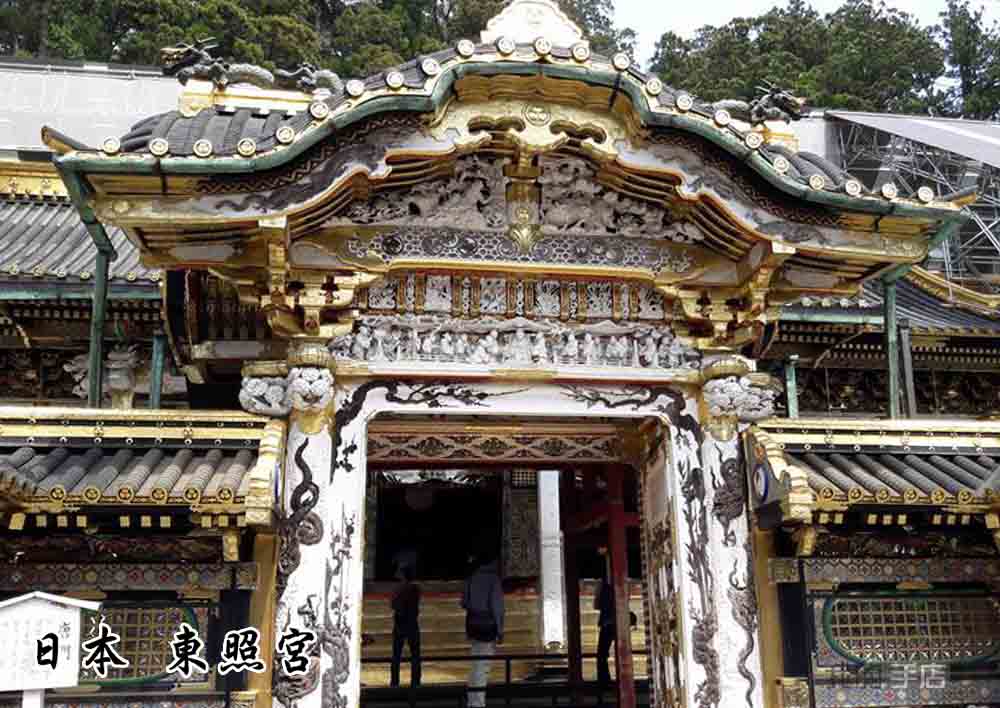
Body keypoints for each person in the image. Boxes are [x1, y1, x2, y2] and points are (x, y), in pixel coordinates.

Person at [462, 552, 504, 708]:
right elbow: (497, 607)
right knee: (482, 667)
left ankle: (472, 700)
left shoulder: (471, 577)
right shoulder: (493, 580)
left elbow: (464, 602)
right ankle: (478, 703)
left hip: (473, 625)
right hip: (487, 627)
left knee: (475, 666)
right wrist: (500, 630)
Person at [390, 565, 421, 687]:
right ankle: (416, 681)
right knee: (415, 655)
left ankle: (395, 682)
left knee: (396, 655)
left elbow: (394, 605)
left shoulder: (399, 589)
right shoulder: (415, 589)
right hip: (412, 623)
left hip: (401, 623)